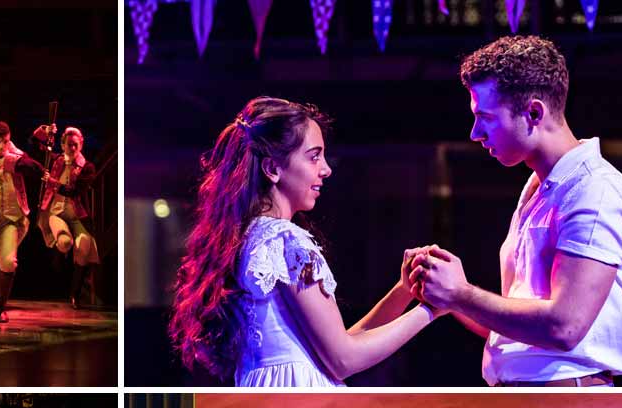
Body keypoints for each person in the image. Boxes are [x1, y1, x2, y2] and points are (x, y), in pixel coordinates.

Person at [407, 36, 622, 387]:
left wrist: (461, 294)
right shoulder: (537, 189)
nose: (475, 133)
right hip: (526, 394)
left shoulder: (595, 190)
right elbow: (517, 330)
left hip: (567, 397)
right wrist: (450, 297)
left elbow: (564, 327)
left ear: (533, 113)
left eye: (485, 118)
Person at [169, 96, 443, 387]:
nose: (326, 169)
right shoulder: (286, 241)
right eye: (314, 156)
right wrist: (434, 309)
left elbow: (340, 343)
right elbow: (344, 360)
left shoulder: (248, 238)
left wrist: (403, 291)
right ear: (273, 169)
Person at [0, 121, 43, 322]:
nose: (1, 147)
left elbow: (34, 167)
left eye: (5, 142)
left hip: (10, 220)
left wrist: (38, 140)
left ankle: (0, 307)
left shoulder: (15, 156)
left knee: (8, 262)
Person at [32, 124, 99, 308]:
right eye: (69, 144)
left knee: (84, 247)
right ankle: (58, 255)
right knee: (65, 242)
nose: (72, 148)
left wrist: (52, 183)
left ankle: (74, 295)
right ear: (62, 145)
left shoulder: (87, 168)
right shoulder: (55, 161)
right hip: (56, 213)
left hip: (78, 216)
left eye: (76, 144)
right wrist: (44, 133)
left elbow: (75, 192)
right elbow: (35, 147)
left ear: (81, 144)